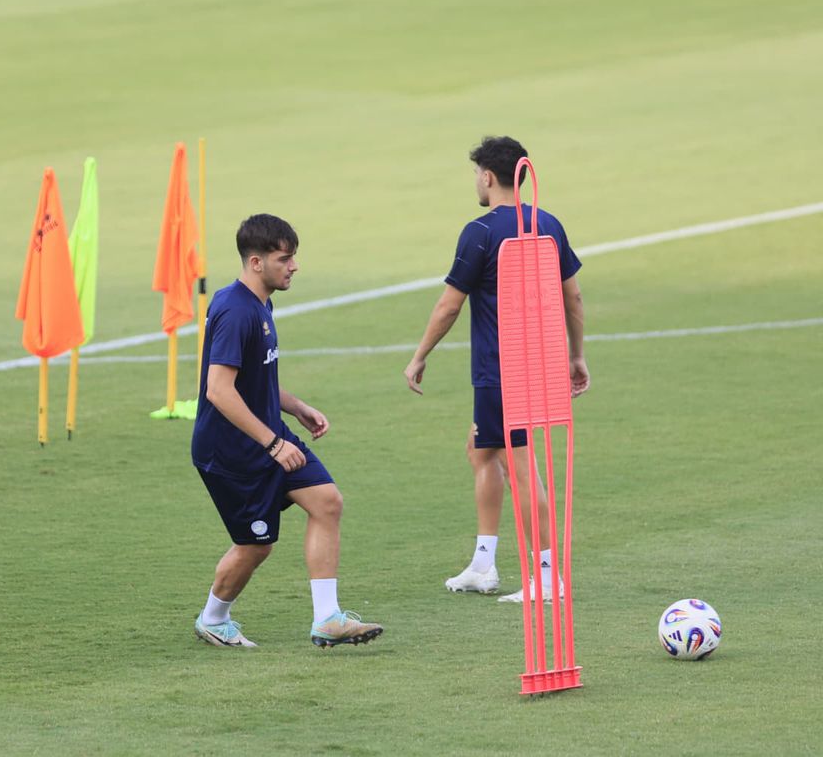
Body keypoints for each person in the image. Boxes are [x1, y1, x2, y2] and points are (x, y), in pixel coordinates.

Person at [402, 136, 589, 603]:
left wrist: (420, 355)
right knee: (480, 450)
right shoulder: (548, 224)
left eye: (475, 175)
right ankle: (483, 565)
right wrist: (576, 355)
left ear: (487, 176)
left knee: (520, 466)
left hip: (500, 371)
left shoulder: (480, 232)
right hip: (538, 364)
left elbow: (449, 305)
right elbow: (573, 296)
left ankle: (546, 577)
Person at [190, 214, 383, 648]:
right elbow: (219, 390)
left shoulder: (260, 303)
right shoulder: (235, 310)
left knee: (327, 502)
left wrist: (296, 408)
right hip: (232, 452)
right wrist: (274, 443)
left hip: (268, 436)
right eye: (285, 258)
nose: (294, 266)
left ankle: (327, 619)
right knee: (255, 546)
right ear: (256, 262)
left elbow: (255, 378)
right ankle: (213, 619)